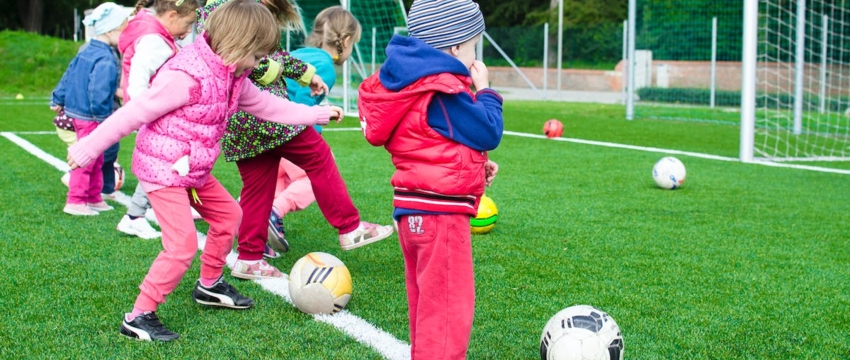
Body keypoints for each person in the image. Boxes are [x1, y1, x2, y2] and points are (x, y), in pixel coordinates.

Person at [66, 0, 342, 341]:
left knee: (230, 217)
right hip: (163, 170)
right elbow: (133, 113)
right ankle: (138, 316)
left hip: (192, 170)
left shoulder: (233, 75)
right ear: (238, 45)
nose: (259, 65)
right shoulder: (185, 77)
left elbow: (266, 105)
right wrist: (88, 148)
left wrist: (314, 114)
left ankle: (209, 285)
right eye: (257, 57)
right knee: (181, 246)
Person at [198, 0, 393, 280]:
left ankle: (249, 258)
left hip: (240, 122)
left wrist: (306, 74)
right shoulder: (236, 9)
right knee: (319, 156)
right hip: (265, 114)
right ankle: (350, 227)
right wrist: (303, 96)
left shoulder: (223, 7)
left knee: (258, 186)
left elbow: (272, 55)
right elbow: (259, 62)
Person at [357, 0, 504, 358]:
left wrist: (475, 166)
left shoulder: (411, 82)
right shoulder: (441, 89)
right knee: (449, 313)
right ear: (454, 46)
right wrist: (485, 91)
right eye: (472, 45)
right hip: (442, 216)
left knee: (427, 307)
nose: (473, 56)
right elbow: (487, 130)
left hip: (413, 212)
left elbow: (430, 141)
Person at [267, 6, 363, 256]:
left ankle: (257, 229)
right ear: (346, 40)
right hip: (286, 131)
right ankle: (275, 211)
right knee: (314, 175)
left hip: (264, 128)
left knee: (275, 181)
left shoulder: (301, 53)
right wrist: (319, 121)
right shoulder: (326, 67)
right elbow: (300, 104)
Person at [113, 0, 201, 240]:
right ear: (172, 16)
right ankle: (134, 216)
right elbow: (139, 78)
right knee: (163, 164)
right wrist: (145, 109)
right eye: (188, 23)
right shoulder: (154, 41)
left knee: (169, 161)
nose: (188, 31)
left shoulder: (153, 33)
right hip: (154, 114)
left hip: (154, 112)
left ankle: (139, 214)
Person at [51, 2, 130, 216]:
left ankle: (93, 197)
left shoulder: (87, 50)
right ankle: (76, 200)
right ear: (112, 30)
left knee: (97, 158)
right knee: (87, 158)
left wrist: (57, 96)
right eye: (123, 30)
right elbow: (98, 91)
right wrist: (104, 118)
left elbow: (68, 73)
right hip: (92, 117)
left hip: (81, 113)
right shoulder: (105, 57)